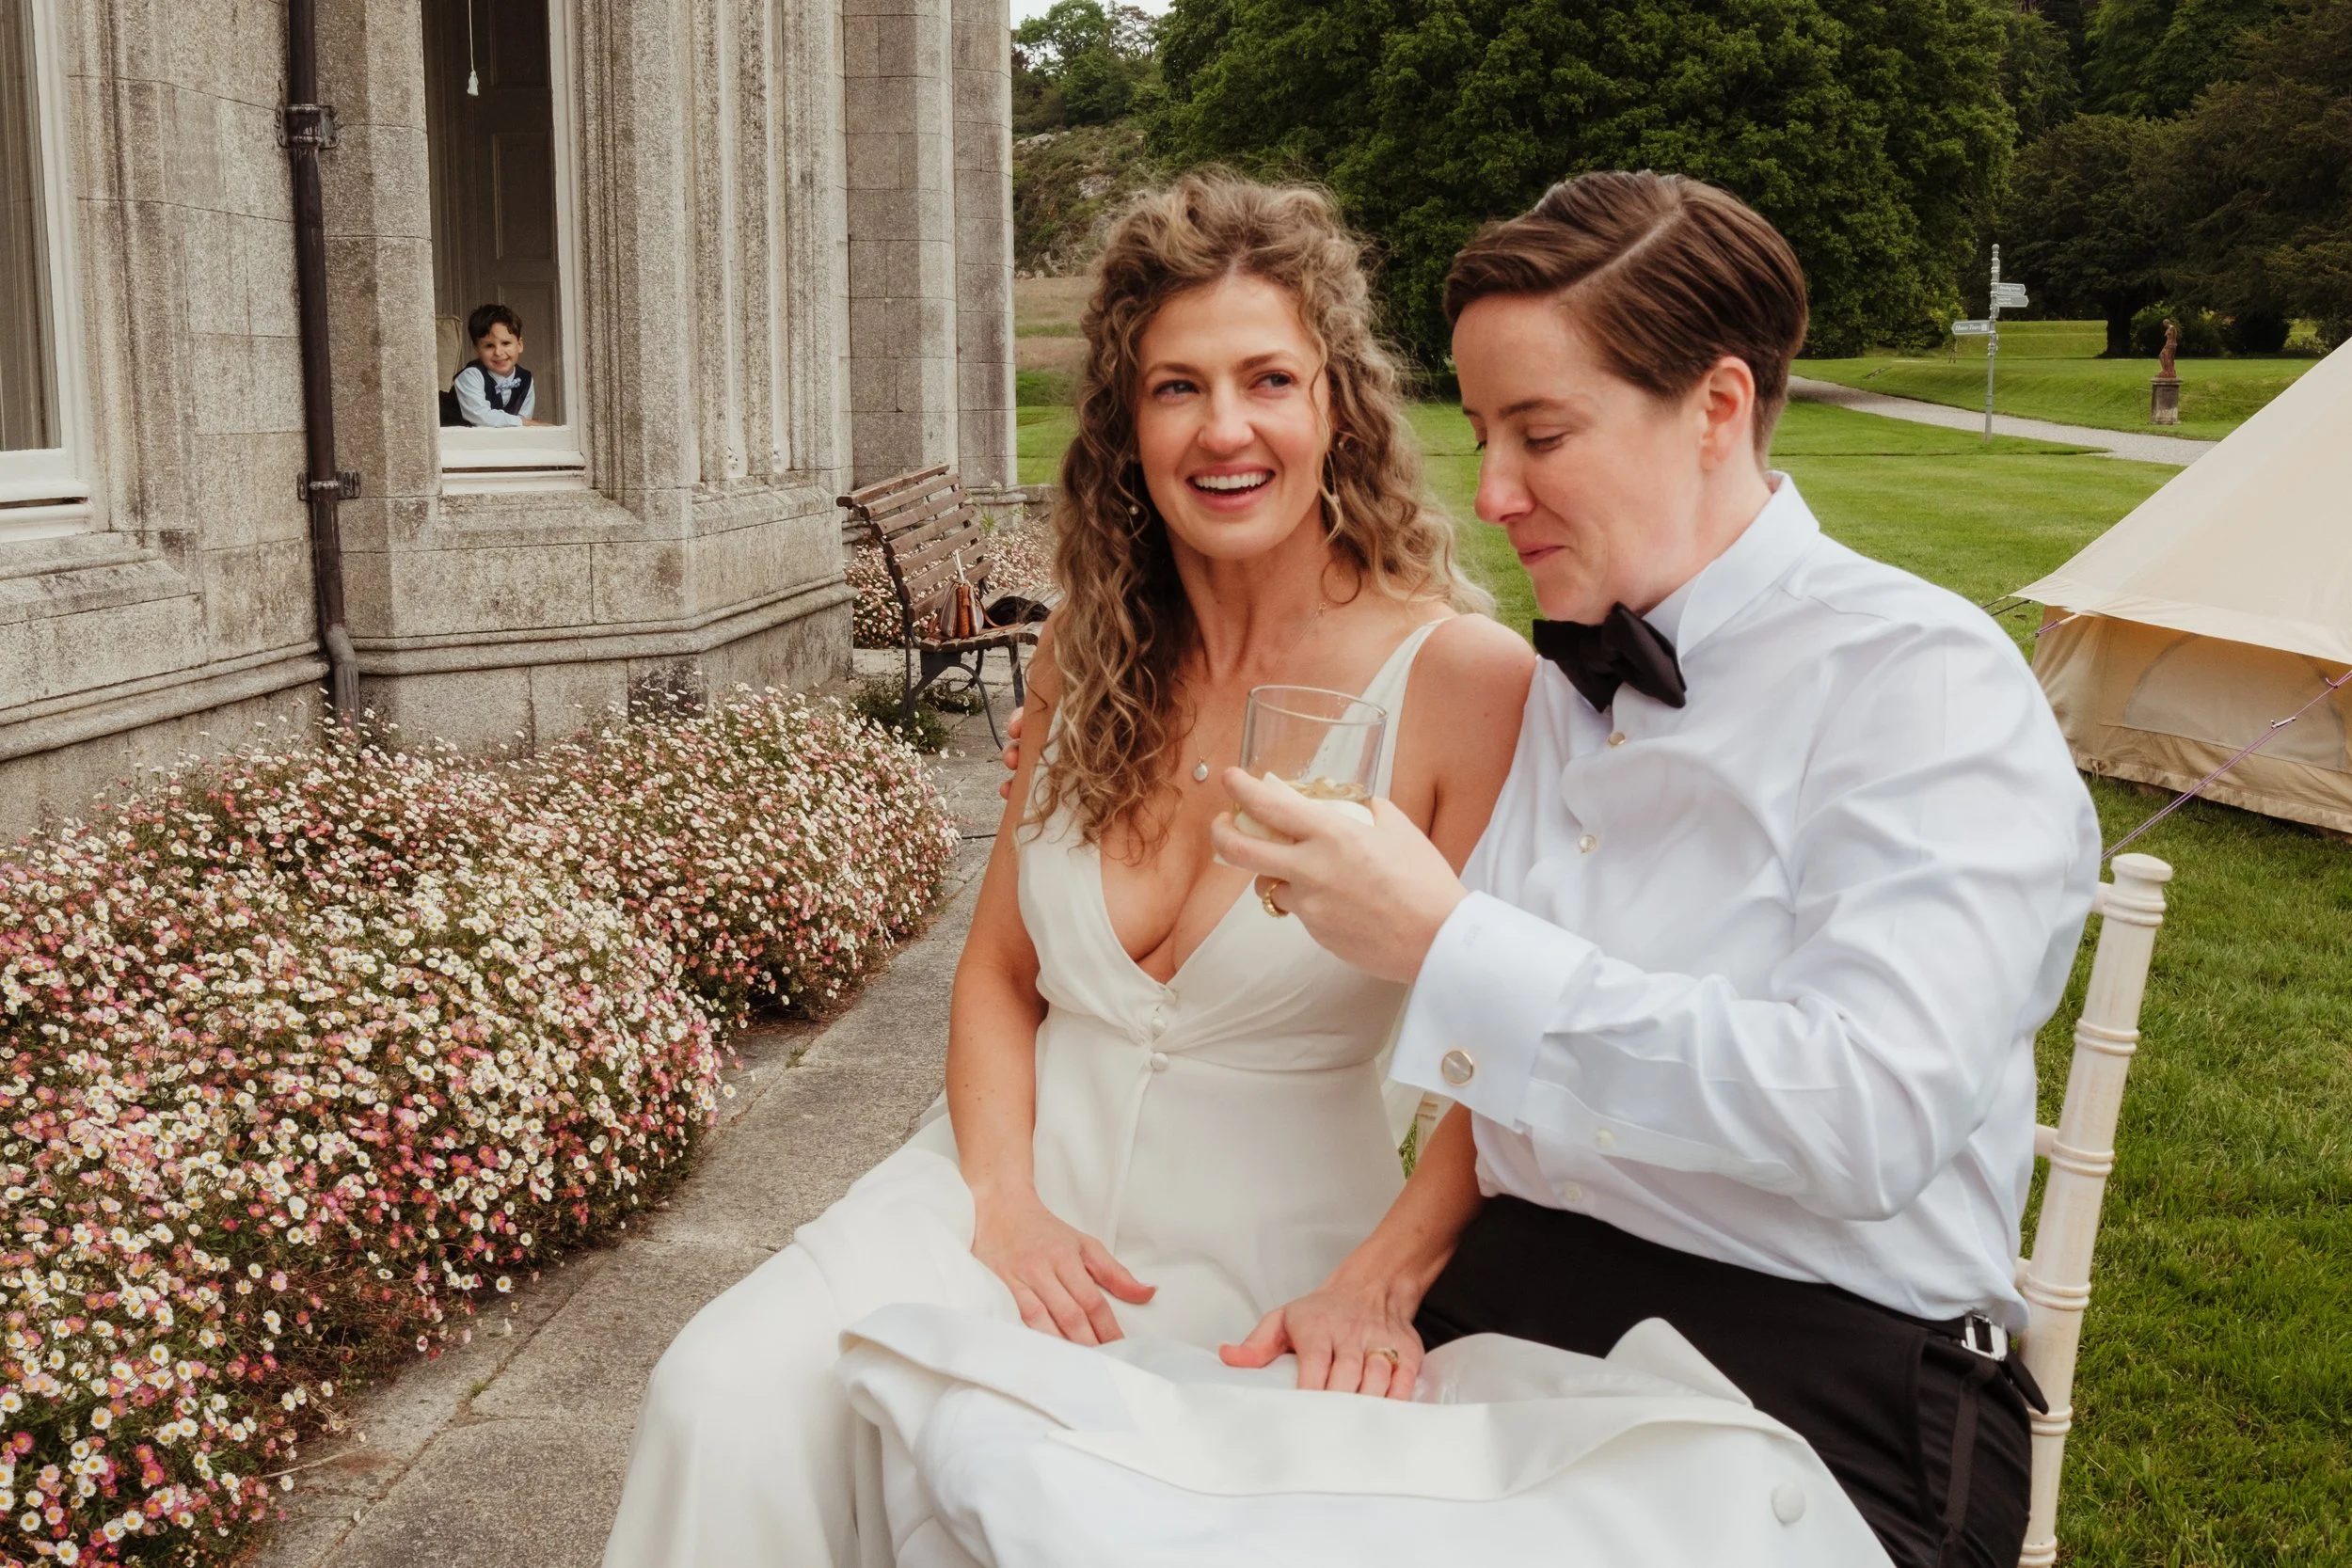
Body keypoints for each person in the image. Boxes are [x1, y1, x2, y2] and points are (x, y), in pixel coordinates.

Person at [599, 173, 1534, 1567]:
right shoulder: (1083, 661)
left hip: (1267, 1237)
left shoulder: (1461, 682)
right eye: (1176, 388)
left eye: (1267, 377)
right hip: (997, 1185)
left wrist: (1382, 1275)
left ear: (1337, 400)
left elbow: (1506, 1051)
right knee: (721, 1393)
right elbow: (996, 972)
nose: (1224, 428)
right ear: (1127, 425)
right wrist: (1003, 1201)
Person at [1208, 171, 2102, 1568]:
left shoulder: (1922, 684)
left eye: (1542, 432)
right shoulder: (1568, 672)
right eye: (1484, 430)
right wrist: (1377, 1276)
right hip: (1508, 1303)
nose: (1493, 491)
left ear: (1719, 407)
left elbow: (1868, 1114)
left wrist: (1452, 945)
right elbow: (1504, 1099)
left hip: (1826, 1373)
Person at [443, 302, 537, 427]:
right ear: (477, 350)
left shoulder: (525, 379)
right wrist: (521, 422)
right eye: (489, 346)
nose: (498, 352)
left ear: (519, 345)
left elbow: (524, 422)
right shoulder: (471, 375)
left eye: (505, 343)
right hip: (458, 440)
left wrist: (522, 423)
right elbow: (481, 417)